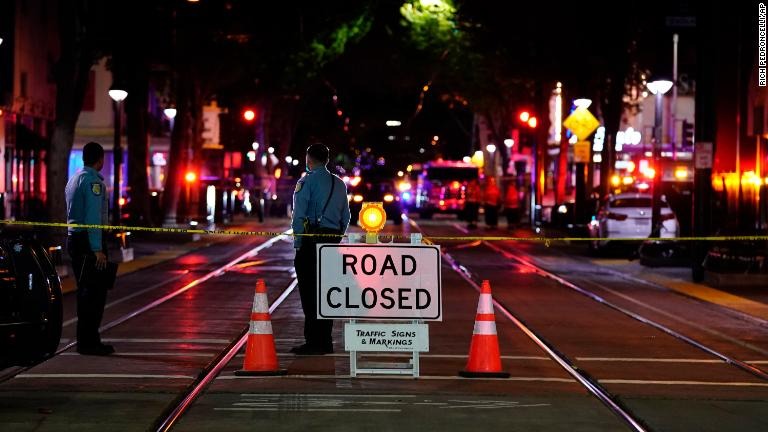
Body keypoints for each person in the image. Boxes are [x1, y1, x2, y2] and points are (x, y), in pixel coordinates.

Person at [291, 143, 351, 355]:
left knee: (309, 293)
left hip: (311, 240)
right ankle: (326, 340)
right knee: (327, 293)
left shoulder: (306, 181)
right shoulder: (339, 184)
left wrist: (299, 243)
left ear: (309, 159)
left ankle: (313, 342)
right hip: (332, 241)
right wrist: (336, 236)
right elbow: (346, 217)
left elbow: (298, 216)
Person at [65, 142, 115, 356]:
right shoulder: (94, 182)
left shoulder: (74, 179)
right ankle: (90, 341)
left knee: (84, 292)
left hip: (74, 239)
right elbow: (93, 218)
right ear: (100, 159)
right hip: (89, 241)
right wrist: (97, 248)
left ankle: (85, 340)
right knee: (95, 294)